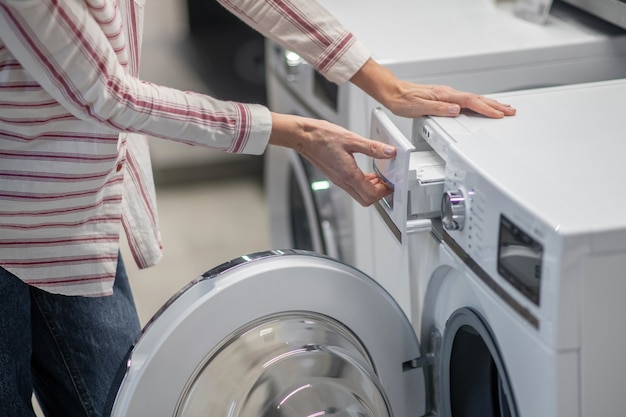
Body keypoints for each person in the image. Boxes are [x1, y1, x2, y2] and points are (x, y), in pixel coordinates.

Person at [0, 0, 516, 415]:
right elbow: (109, 94)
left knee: (119, 398)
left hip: (71, 206)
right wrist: (300, 132)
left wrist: (383, 82)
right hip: (15, 195)